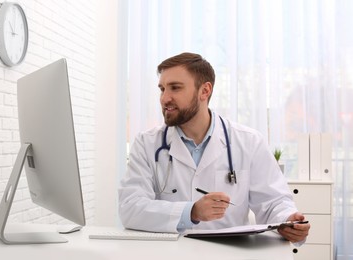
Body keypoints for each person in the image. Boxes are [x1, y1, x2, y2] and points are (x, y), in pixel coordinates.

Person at [118, 52, 310, 243]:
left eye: (175, 88)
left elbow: (273, 201)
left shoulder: (249, 141)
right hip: (169, 254)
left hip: (227, 254)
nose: (164, 98)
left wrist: (287, 220)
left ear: (205, 91)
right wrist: (191, 211)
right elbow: (130, 208)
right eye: (162, 89)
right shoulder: (147, 144)